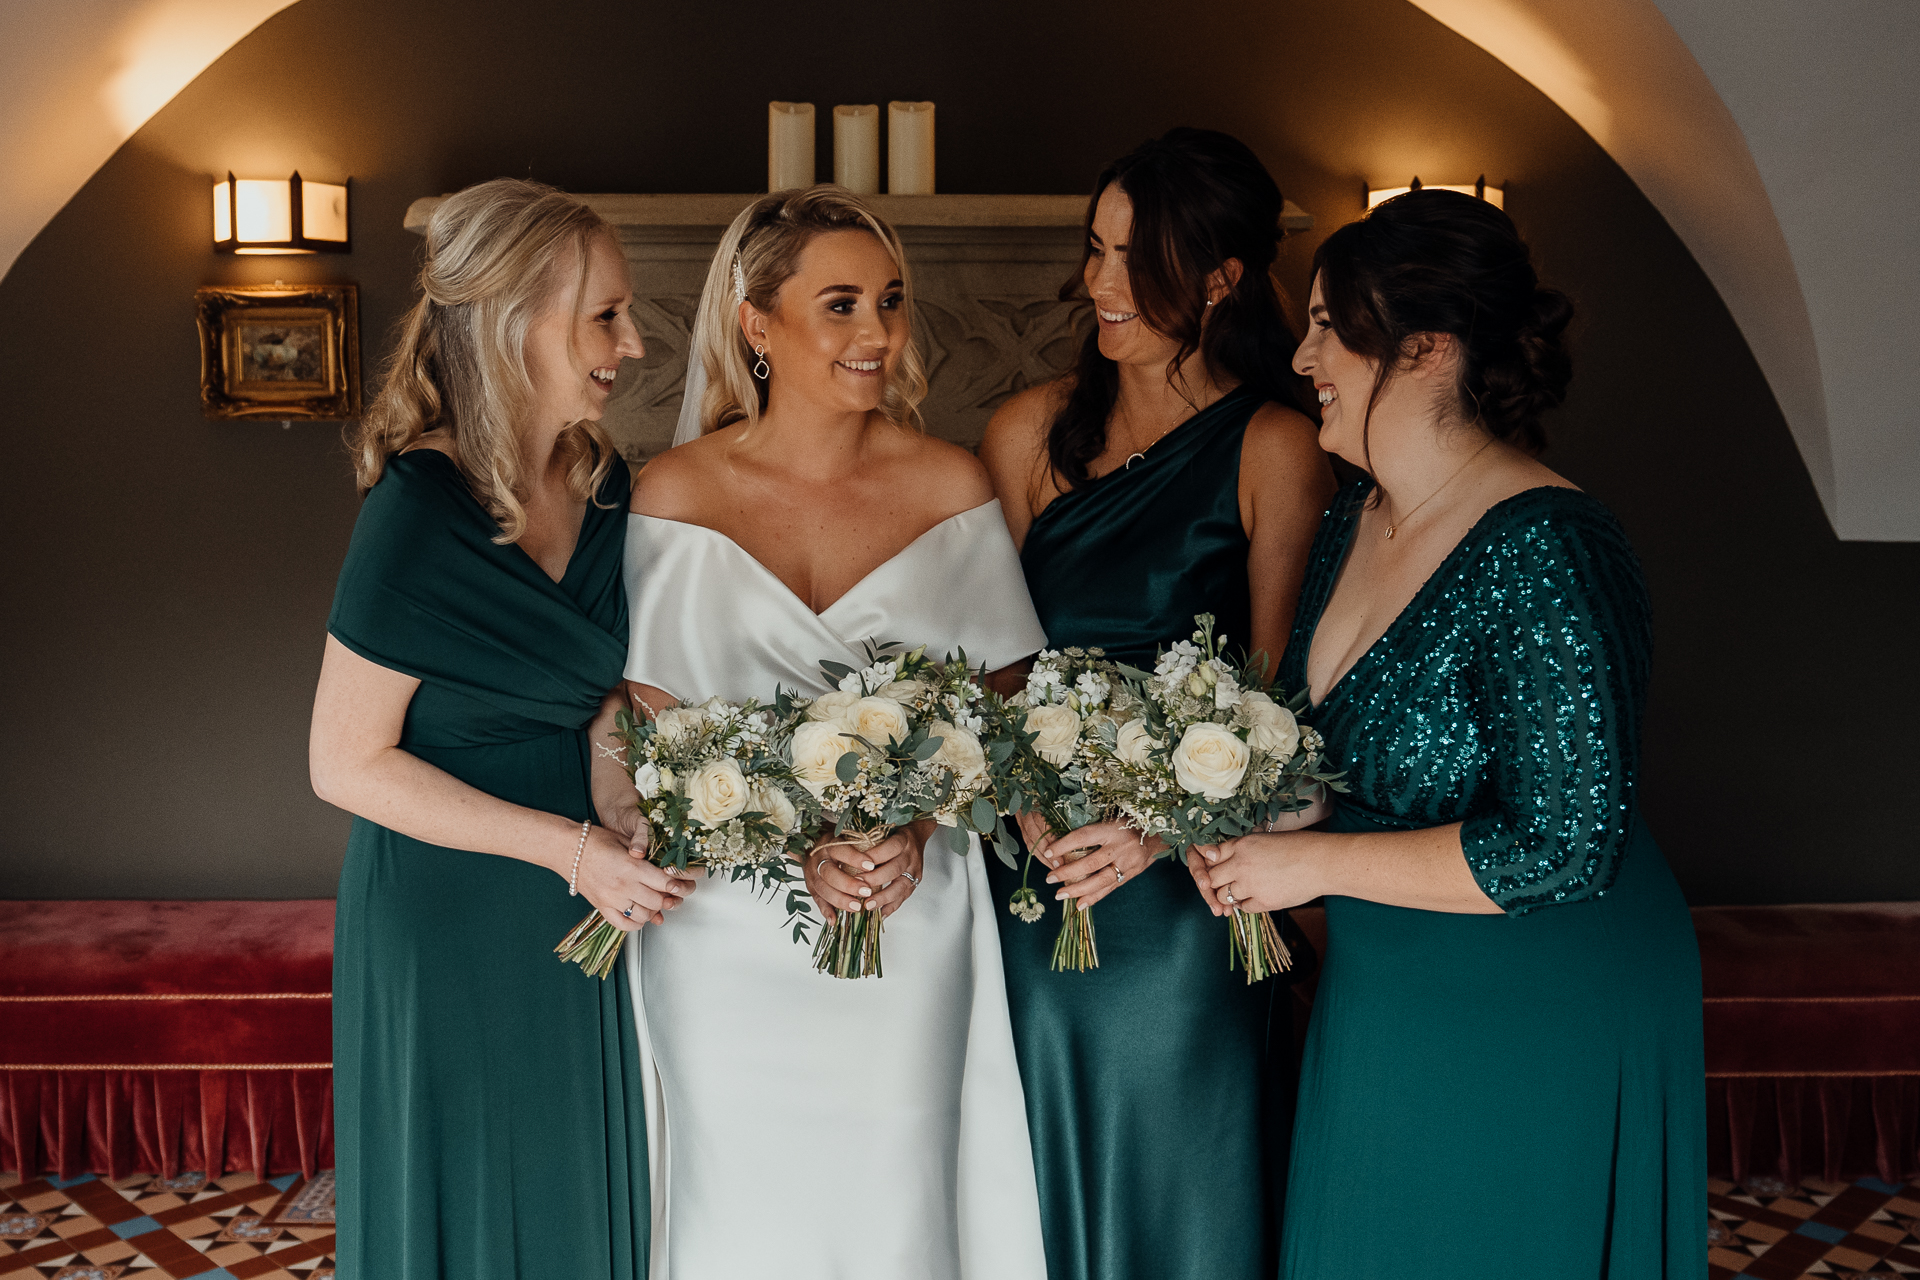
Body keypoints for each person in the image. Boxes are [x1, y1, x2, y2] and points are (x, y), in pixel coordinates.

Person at [1194, 188, 1706, 1277]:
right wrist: (1232, 826)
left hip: (1541, 995)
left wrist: (1308, 860)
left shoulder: (1552, 547)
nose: (1302, 352)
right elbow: (1334, 753)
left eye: (1332, 323)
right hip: (1390, 983)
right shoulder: (1352, 515)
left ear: (1423, 350)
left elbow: (1563, 844)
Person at [609, 185, 1049, 1280]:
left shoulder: (949, 481)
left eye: (890, 302)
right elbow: (639, 728)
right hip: (725, 935)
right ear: (756, 323)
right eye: (841, 304)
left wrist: (920, 823)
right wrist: (773, 834)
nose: (877, 333)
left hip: (909, 916)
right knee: (738, 1208)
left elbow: (1010, 709)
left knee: (896, 1199)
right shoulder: (673, 491)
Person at [976, 128, 1336, 1280]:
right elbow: (995, 661)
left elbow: (1274, 702)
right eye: (1095, 250)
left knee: (1184, 1161)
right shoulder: (1026, 432)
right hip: (1032, 864)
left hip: (1188, 876)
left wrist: (1158, 825)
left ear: (1222, 280)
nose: (1099, 284)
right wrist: (1027, 801)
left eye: (1135, 259)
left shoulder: (1278, 446)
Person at [310, 178, 686, 1279]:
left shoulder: (612, 483)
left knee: (577, 1183)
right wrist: (565, 846)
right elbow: (343, 760)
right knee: (463, 1185)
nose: (633, 339)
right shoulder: (418, 504)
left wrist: (613, 795)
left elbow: (612, 691)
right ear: (516, 318)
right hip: (449, 895)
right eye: (605, 314)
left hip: (587, 883)